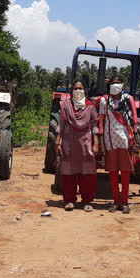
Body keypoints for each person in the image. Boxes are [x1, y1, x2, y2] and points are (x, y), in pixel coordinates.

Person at [55, 80, 100, 212]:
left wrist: (96, 143)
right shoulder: (65, 106)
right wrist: (57, 142)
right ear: (71, 91)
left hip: (85, 144)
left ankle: (87, 201)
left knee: (87, 174)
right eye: (75, 88)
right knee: (68, 173)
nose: (78, 91)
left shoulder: (90, 106)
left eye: (80, 88)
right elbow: (60, 125)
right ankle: (69, 200)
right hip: (69, 143)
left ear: (85, 91)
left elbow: (95, 126)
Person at [98, 74, 138, 214]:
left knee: (125, 173)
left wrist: (135, 140)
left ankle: (125, 202)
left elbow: (134, 121)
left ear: (122, 85)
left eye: (118, 83)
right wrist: (101, 142)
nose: (116, 85)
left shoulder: (128, 99)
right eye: (113, 83)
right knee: (113, 173)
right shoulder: (104, 101)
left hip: (126, 141)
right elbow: (101, 122)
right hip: (110, 141)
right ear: (110, 85)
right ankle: (116, 201)